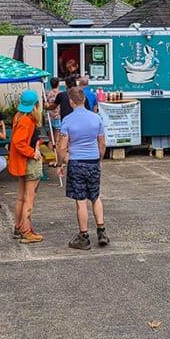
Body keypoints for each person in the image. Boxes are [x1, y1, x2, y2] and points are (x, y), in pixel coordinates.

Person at [56, 87, 109, 250]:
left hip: (77, 162)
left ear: (71, 102)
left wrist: (60, 164)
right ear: (84, 100)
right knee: (95, 196)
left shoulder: (68, 120)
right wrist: (99, 160)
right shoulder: (96, 118)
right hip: (93, 160)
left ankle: (84, 236)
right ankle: (101, 231)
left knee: (81, 201)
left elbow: (62, 146)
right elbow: (102, 144)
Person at [8, 90, 44, 243]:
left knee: (21, 197)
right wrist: (33, 153)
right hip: (29, 162)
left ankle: (18, 227)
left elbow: (25, 140)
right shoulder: (27, 120)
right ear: (36, 105)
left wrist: (36, 143)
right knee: (29, 198)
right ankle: (26, 231)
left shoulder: (18, 117)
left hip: (21, 162)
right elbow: (19, 141)